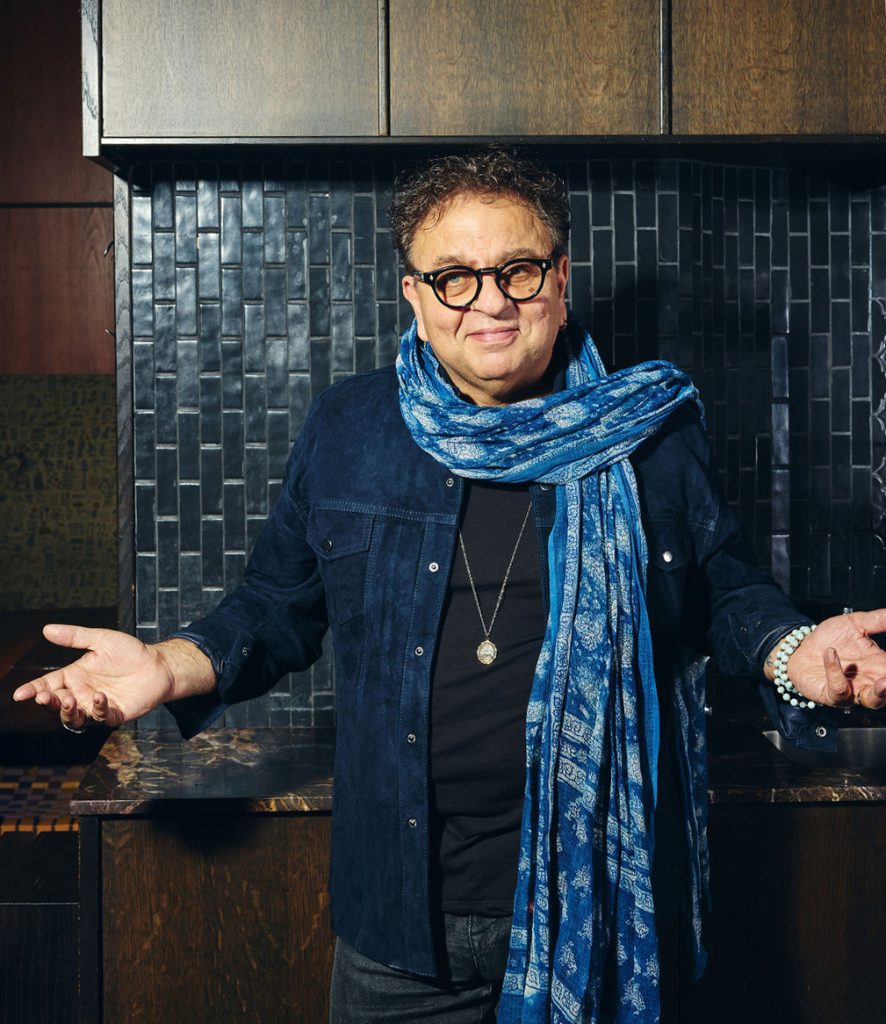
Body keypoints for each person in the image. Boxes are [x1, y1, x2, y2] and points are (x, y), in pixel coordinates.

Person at [14, 149, 886, 1024]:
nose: (491, 301)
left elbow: (726, 596)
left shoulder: (652, 437)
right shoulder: (348, 428)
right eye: (455, 278)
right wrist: (168, 665)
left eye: (517, 270)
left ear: (562, 277)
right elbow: (275, 611)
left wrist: (793, 651)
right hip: (400, 938)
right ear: (416, 295)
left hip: (605, 917)